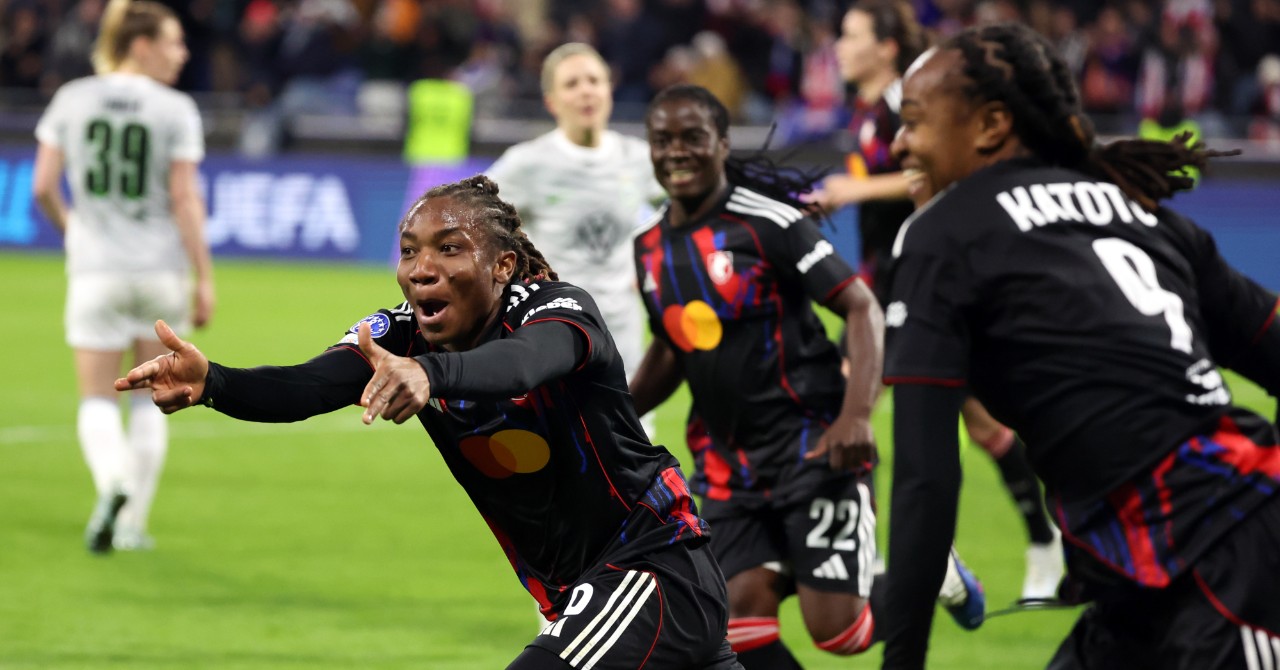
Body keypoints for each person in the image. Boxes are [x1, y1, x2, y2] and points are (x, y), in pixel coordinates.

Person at [116, 175, 743, 670]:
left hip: (650, 568)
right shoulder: (399, 336)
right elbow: (308, 385)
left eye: (449, 248)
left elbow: (523, 364)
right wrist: (215, 382)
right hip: (581, 589)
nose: (422, 267)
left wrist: (431, 374)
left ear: (502, 265)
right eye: (410, 251)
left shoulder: (556, 308)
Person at [881, 22, 1280, 669]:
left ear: (991, 125)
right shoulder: (1145, 215)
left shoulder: (942, 235)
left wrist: (901, 660)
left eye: (914, 121)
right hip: (1142, 582)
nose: (899, 143)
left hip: (1226, 567)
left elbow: (926, 480)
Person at [629, 84, 984, 669]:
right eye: (662, 140)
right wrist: (608, 412)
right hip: (727, 466)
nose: (677, 152)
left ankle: (930, 573)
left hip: (813, 446)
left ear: (722, 143)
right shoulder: (648, 247)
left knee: (839, 634)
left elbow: (862, 307)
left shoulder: (769, 223)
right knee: (734, 623)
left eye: (692, 137)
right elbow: (674, 346)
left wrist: (856, 417)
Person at [810, 0, 1063, 601]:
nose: (839, 47)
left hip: (921, 279)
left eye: (850, 35)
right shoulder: (869, 109)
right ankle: (1040, 539)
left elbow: (936, 172)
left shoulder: (908, 99)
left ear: (885, 47)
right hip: (886, 280)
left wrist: (855, 189)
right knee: (968, 420)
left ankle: (884, 560)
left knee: (857, 403)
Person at [33, 0, 213, 554]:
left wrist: (74, 232)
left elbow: (43, 186)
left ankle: (112, 482)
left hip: (96, 270)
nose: (182, 54)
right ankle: (133, 522)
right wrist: (204, 275)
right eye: (173, 42)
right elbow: (184, 198)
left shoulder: (72, 98)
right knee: (153, 398)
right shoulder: (175, 109)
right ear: (141, 45)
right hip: (159, 270)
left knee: (96, 398)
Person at [485, 43, 665, 434]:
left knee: (631, 447)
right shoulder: (528, 163)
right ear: (551, 101)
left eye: (594, 80)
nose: (586, 91)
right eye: (572, 84)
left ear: (609, 89)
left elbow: (686, 208)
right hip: (555, 330)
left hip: (621, 331)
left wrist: (655, 261)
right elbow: (475, 219)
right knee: (561, 448)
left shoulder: (638, 158)